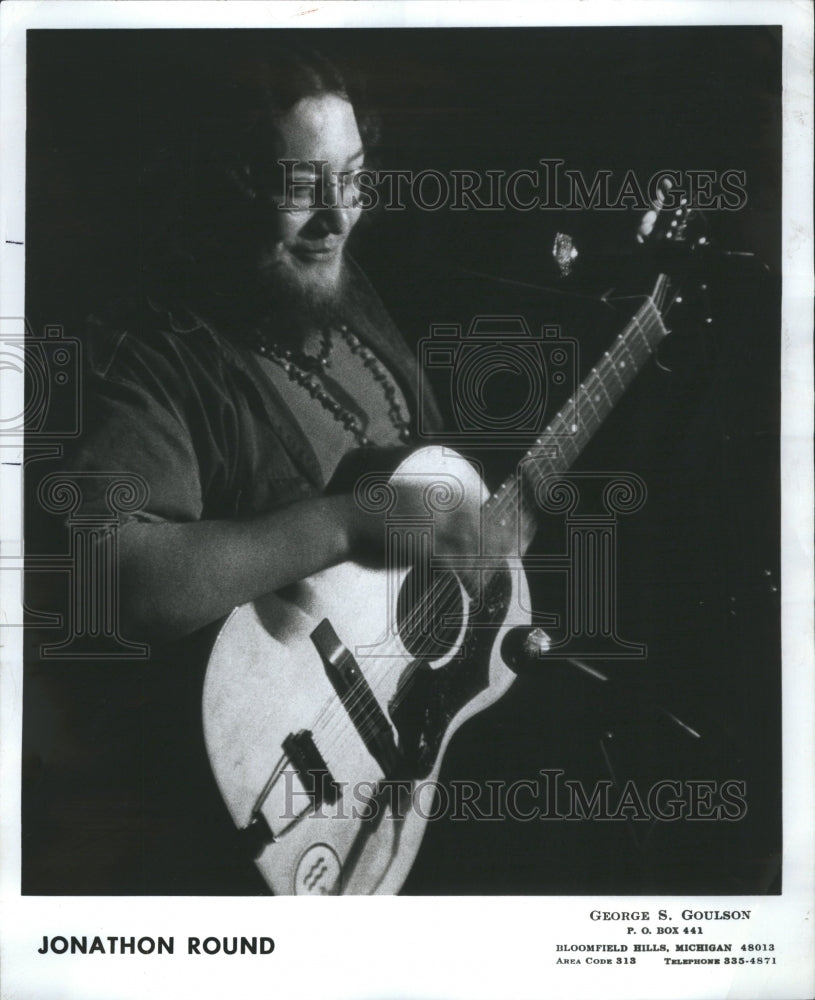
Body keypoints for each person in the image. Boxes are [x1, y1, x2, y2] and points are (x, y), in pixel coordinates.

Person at [26, 46, 489, 893]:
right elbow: (111, 575)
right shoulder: (156, 352)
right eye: (299, 185)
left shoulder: (338, 290)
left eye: (352, 178)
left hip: (403, 744)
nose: (337, 218)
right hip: (250, 811)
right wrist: (346, 521)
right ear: (224, 183)